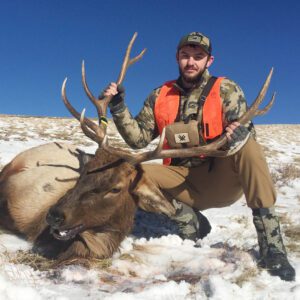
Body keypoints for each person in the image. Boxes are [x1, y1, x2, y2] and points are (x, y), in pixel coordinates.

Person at [102, 32, 295, 281]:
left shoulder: (226, 89)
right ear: (177, 58)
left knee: (250, 148)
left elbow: (245, 131)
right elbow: (137, 139)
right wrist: (117, 106)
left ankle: (273, 248)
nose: (190, 62)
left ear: (209, 61)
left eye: (198, 56)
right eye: (185, 56)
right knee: (131, 171)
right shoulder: (159, 95)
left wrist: (239, 135)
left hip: (217, 179)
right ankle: (190, 221)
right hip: (179, 179)